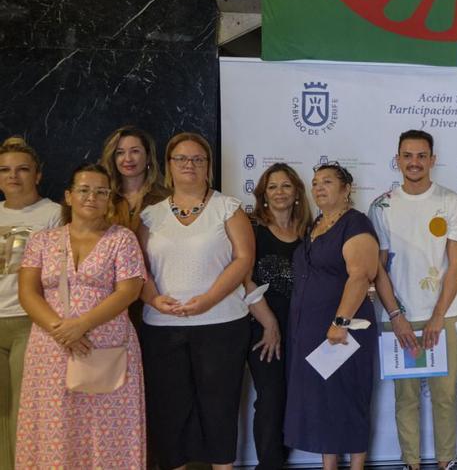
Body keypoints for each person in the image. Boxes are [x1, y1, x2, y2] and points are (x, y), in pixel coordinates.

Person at [15, 163, 145, 467]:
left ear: (109, 199)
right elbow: (28, 293)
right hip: (51, 349)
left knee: (105, 426)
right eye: (84, 190)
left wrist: (82, 326)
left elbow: (129, 291)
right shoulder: (42, 241)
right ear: (68, 196)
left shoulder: (122, 239)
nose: (92, 197)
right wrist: (63, 331)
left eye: (101, 192)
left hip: (107, 348)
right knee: (54, 424)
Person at [138, 132, 254, 470]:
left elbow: (243, 259)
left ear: (208, 167)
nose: (189, 165)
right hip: (162, 328)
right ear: (168, 167)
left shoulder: (227, 208)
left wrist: (207, 300)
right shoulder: (150, 216)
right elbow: (138, 268)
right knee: (170, 409)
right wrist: (155, 299)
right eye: (181, 159)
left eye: (197, 159)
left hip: (221, 325)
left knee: (219, 408)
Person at [369, 130, 457, 470]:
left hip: (445, 315)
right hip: (399, 316)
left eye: (421, 155)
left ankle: (446, 463)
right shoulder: (381, 205)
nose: (414, 162)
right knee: (406, 398)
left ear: (432, 160)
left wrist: (439, 316)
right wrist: (395, 315)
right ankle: (411, 463)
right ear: (397, 159)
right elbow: (378, 267)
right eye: (407, 155)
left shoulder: (451, 202)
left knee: (444, 398)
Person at [284, 163, 393, 470]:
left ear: (347, 189)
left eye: (328, 182)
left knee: (349, 399)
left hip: (345, 328)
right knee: (322, 402)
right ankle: (328, 466)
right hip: (311, 329)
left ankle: (357, 466)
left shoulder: (355, 224)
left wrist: (339, 322)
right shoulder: (315, 224)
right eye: (315, 182)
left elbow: (361, 275)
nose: (319, 187)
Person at [0, 137, 64, 467]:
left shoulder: (54, 215)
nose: (14, 176)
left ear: (37, 175)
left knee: (25, 410)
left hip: (31, 323)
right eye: (5, 170)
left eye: (23, 169)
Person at [243, 163, 311, 469]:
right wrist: (269, 324)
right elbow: (245, 281)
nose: (280, 192)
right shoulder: (252, 231)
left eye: (285, 186)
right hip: (263, 327)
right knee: (270, 399)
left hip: (301, 330)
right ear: (263, 195)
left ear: (296, 192)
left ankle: (280, 461)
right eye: (272, 187)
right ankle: (269, 464)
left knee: (293, 398)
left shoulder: (309, 235)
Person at [100, 126, 169, 233]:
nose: (128, 159)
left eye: (135, 151)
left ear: (148, 157)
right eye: (120, 153)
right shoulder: (103, 198)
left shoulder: (166, 198)